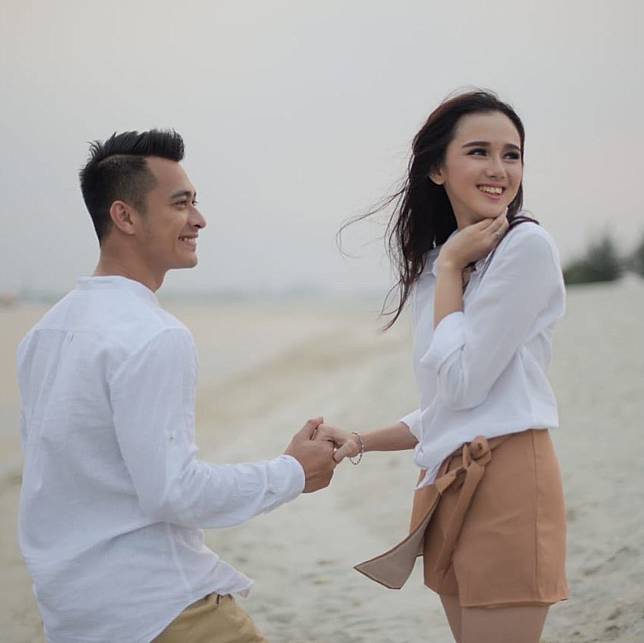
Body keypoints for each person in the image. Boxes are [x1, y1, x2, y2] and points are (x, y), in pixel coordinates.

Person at [16, 129, 336, 643]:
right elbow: (175, 492)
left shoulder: (44, 333)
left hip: (71, 614)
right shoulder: (155, 335)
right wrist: (293, 471)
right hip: (160, 610)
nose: (199, 219)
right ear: (125, 217)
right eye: (181, 204)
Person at [316, 90, 568, 643]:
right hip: (444, 483)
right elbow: (443, 405)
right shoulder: (435, 267)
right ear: (437, 169)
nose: (499, 169)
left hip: (508, 477)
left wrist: (453, 266)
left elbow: (463, 385)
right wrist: (359, 441)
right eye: (479, 152)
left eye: (512, 154)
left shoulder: (524, 248)